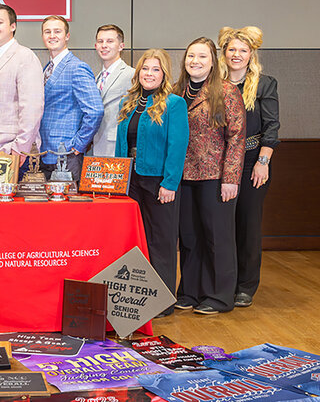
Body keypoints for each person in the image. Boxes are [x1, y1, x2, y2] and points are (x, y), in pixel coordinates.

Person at [174, 37, 246, 315]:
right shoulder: (177, 90)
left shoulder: (226, 90)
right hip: (183, 175)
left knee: (218, 237)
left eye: (202, 57)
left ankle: (219, 296)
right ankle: (190, 291)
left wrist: (231, 178)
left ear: (213, 61)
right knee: (189, 237)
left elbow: (237, 137)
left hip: (216, 175)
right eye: (191, 56)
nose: (195, 61)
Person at [115, 49, 189, 318]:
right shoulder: (129, 102)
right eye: (145, 69)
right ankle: (138, 300)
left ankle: (164, 302)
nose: (149, 74)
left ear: (164, 74)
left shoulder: (174, 104)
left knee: (161, 242)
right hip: (130, 180)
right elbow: (121, 144)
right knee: (136, 240)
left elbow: (178, 146)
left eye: (155, 69)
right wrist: (117, 178)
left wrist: (170, 183)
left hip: (159, 181)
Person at [218, 26, 280, 308]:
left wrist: (263, 163)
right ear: (224, 53)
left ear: (251, 54)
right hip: (218, 165)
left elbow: (272, 127)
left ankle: (245, 286)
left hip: (252, 162)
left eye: (243, 50)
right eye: (232, 49)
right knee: (221, 226)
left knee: (247, 225)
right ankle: (222, 283)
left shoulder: (265, 84)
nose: (237, 55)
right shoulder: (214, 84)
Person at [0, 3, 44, 170]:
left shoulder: (24, 56)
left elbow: (32, 108)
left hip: (12, 151)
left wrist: (20, 147)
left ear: (13, 26)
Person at [39, 15, 103, 179]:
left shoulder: (77, 68)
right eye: (47, 32)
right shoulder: (46, 68)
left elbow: (95, 110)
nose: (52, 35)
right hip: (45, 152)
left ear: (67, 36)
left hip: (67, 154)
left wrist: (79, 144)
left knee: (66, 203)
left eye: (57, 31)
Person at [92, 24, 134, 156]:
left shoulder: (132, 75)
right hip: (95, 144)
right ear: (95, 46)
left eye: (110, 41)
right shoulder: (96, 77)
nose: (104, 45)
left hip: (116, 145)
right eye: (100, 41)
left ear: (121, 46)